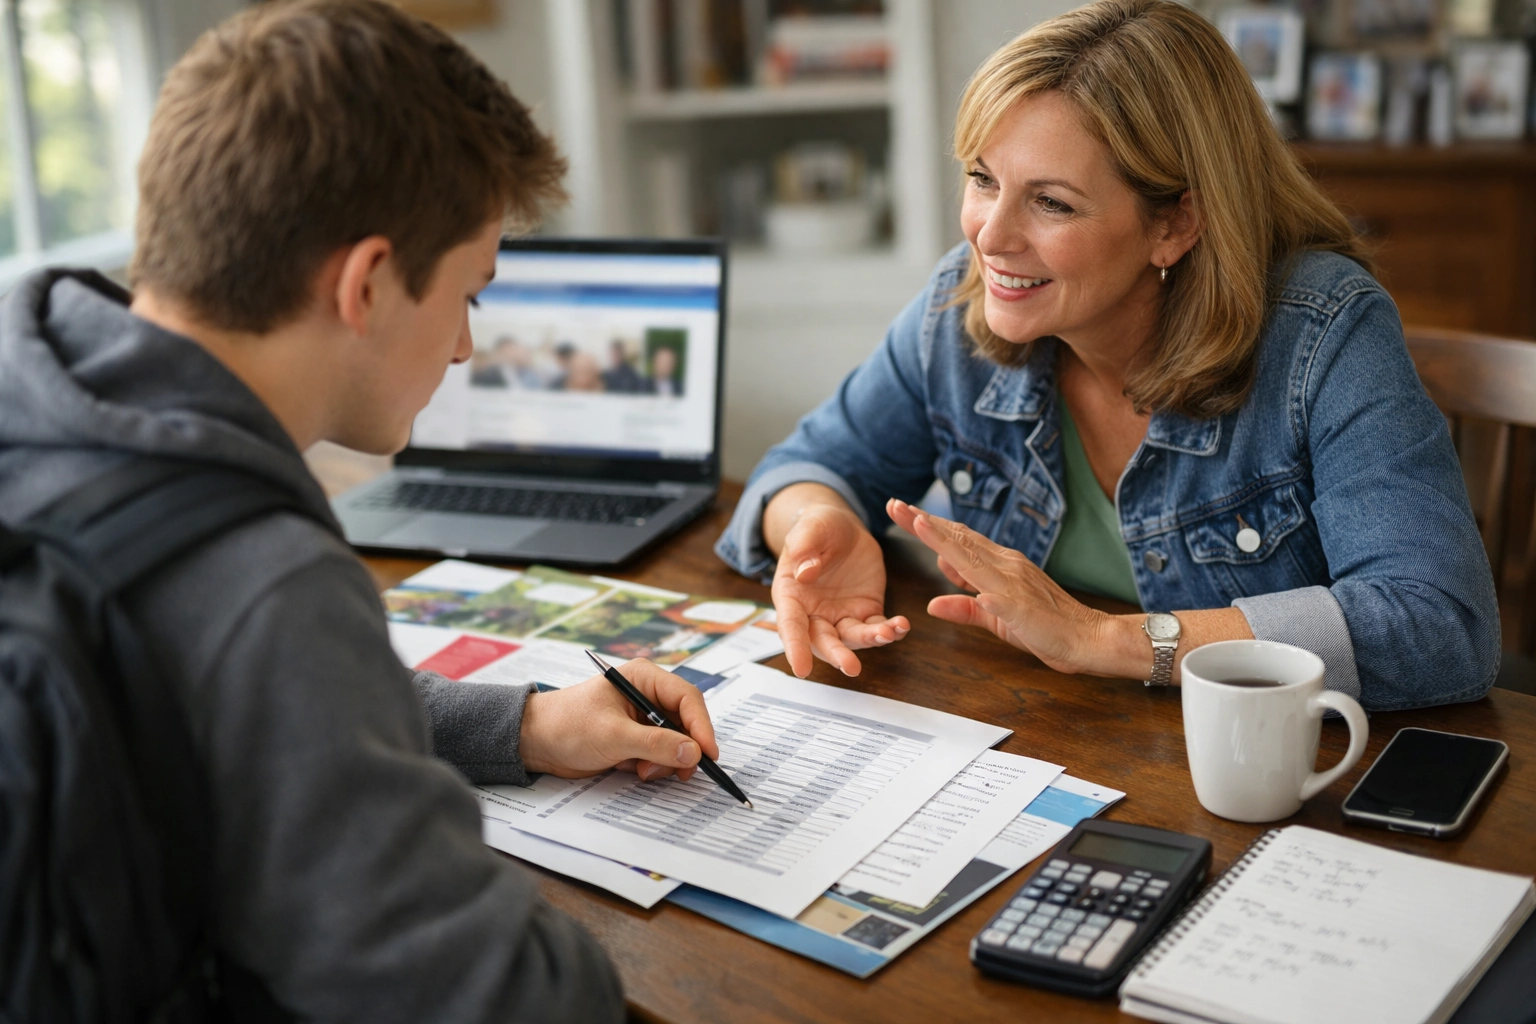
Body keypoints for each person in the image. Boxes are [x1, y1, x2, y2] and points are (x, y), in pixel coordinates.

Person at [0, 1, 721, 1020]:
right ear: (370, 283)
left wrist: (526, 724)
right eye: (471, 290)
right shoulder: (265, 582)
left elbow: (221, 695)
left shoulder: (34, 390)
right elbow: (494, 997)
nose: (467, 345)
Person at [716, 0, 1498, 711]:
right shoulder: (959, 304)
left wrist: (1099, 639)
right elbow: (808, 464)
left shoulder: (1325, 331)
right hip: (1057, 739)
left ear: (1174, 225)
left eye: (1051, 202)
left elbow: (1439, 625)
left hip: (1278, 770)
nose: (989, 237)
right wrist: (819, 524)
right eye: (984, 180)